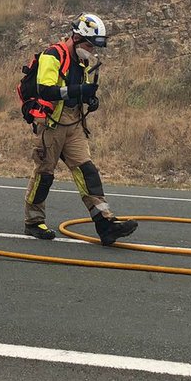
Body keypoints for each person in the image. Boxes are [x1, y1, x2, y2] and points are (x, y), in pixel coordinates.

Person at [23, 13, 139, 245]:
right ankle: (34, 222)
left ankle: (105, 225)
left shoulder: (82, 60)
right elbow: (45, 90)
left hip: (74, 123)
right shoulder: (52, 55)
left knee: (87, 172)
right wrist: (77, 91)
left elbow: (79, 89)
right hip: (51, 123)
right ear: (76, 37)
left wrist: (89, 99)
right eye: (89, 45)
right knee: (44, 174)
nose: (92, 51)